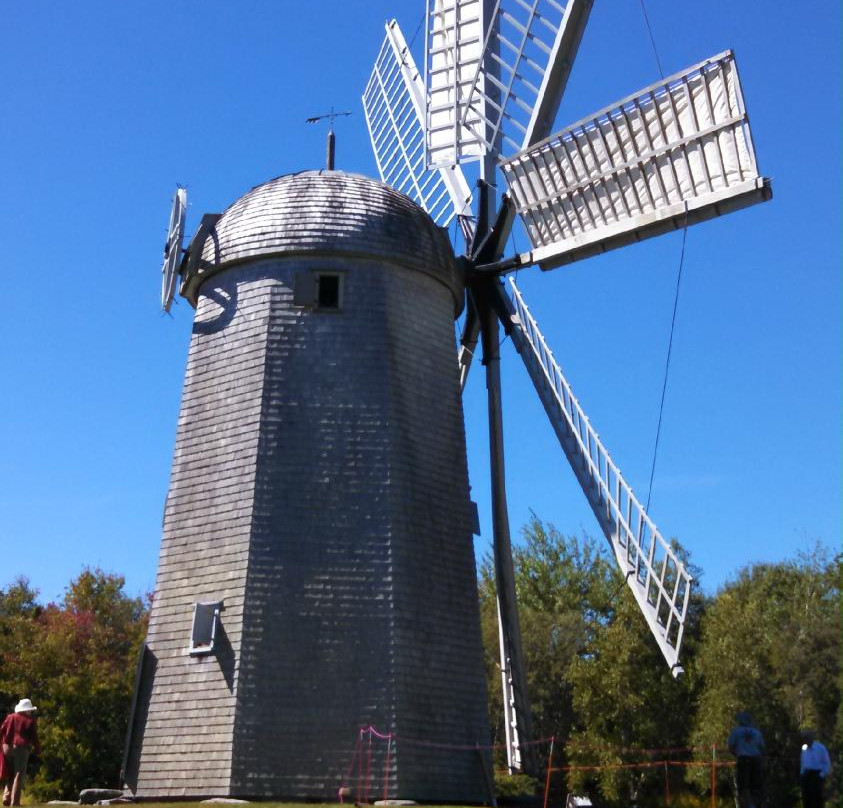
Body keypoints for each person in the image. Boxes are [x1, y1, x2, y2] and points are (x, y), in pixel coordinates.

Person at [1, 699, 40, 807]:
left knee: (9, 773)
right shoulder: (30, 721)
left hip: (7, 747)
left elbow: (2, 730)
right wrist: (38, 749)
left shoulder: (10, 717)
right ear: (27, 710)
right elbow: (34, 737)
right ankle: (15, 802)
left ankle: (6, 797)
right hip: (21, 748)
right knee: (18, 774)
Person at [727, 711, 765, 808]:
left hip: (743, 759)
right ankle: (756, 805)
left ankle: (748, 805)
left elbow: (731, 746)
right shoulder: (757, 732)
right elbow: (762, 747)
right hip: (756, 760)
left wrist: (737, 754)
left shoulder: (736, 731)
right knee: (756, 786)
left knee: (743, 786)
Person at [799, 729, 831, 808]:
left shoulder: (820, 748)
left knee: (817, 800)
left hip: (816, 775)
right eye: (804, 737)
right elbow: (803, 763)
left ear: (811, 737)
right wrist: (802, 774)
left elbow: (827, 763)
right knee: (806, 799)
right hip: (806, 776)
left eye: (806, 737)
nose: (805, 739)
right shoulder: (804, 749)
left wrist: (821, 775)